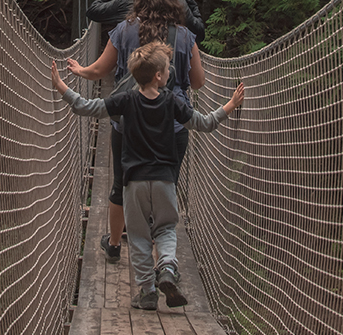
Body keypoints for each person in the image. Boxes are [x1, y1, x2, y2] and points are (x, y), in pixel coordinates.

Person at [52, 42, 245, 310]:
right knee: (165, 228)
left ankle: (147, 292)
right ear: (158, 75)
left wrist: (63, 88)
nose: (169, 73)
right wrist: (230, 105)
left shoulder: (125, 100)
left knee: (140, 236)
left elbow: (88, 107)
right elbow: (204, 123)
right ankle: (166, 266)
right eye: (167, 69)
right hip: (165, 179)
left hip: (134, 183)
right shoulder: (172, 101)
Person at [67, 0, 204, 264]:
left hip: (129, 123)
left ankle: (115, 244)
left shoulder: (124, 30)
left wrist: (80, 71)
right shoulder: (185, 35)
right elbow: (199, 81)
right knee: (166, 187)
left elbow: (98, 71)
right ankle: (163, 257)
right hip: (173, 124)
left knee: (122, 183)